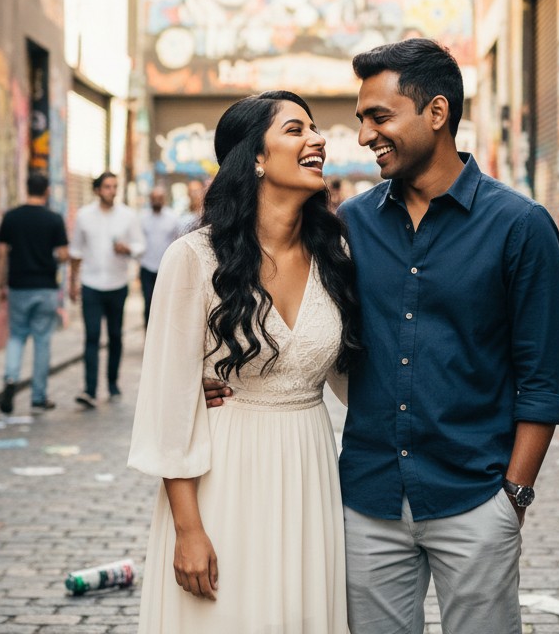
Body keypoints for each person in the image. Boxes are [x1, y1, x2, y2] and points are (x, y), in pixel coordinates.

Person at [206, 39, 559, 633]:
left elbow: (545, 379)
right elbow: (292, 316)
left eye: (380, 117)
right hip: (366, 501)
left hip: (475, 496)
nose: (365, 134)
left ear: (437, 112)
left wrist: (514, 497)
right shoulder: (346, 227)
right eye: (361, 120)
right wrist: (224, 377)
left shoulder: (519, 227)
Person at [128, 90, 362, 633]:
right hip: (223, 477)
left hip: (309, 474)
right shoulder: (193, 259)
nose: (317, 139)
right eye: (295, 130)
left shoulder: (337, 257)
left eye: (314, 128)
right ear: (255, 158)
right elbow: (167, 409)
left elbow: (356, 380)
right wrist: (188, 529)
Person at [0, 173, 70, 414]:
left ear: (26, 188)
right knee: (42, 341)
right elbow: (62, 254)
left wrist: (0, 285)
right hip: (45, 287)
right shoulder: (54, 219)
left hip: (18, 286)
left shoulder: (12, 217)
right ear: (47, 191)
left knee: (16, 336)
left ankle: (10, 381)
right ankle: (38, 396)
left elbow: (1, 253)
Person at [68, 172, 144, 408]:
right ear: (97, 190)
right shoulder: (84, 216)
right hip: (91, 284)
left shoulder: (127, 216)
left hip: (117, 284)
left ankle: (112, 383)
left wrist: (127, 248)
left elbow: (141, 246)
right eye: (108, 187)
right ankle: (90, 389)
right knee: (91, 336)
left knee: (114, 336)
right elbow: (76, 252)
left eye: (115, 187)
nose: (112, 191)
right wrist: (73, 283)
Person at [137, 185, 186, 324]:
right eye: (154, 198)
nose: (157, 201)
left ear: (164, 200)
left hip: (166, 268)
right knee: (148, 303)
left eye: (159, 198)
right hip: (147, 267)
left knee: (166, 303)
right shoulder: (142, 218)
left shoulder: (173, 218)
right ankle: (148, 337)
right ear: (150, 199)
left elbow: (178, 241)